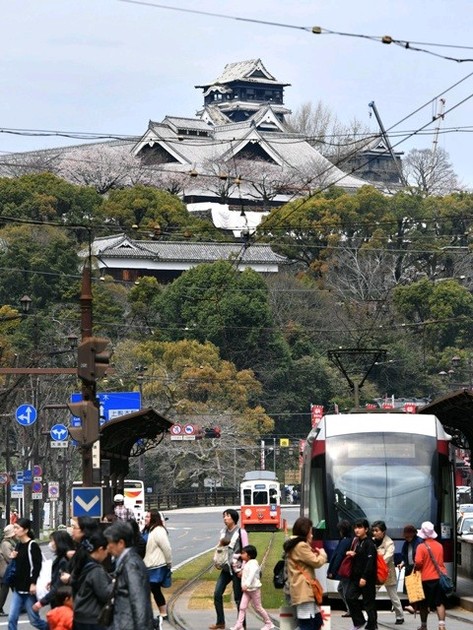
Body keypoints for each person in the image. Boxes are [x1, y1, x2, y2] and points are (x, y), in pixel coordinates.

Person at [104, 520, 154, 630]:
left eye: (109, 543)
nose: (107, 547)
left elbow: (139, 600)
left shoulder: (131, 565)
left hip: (127, 624)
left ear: (120, 543)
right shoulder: (125, 561)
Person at [283, 516, 327, 630]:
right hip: (304, 590)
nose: (312, 535)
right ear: (305, 532)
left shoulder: (294, 544)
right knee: (307, 623)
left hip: (303, 589)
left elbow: (305, 561)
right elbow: (316, 562)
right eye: (310, 532)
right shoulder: (301, 545)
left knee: (316, 621)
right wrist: (322, 554)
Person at [209, 508, 249, 630]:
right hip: (226, 569)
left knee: (238, 598)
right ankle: (220, 622)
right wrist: (217, 561)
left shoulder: (241, 532)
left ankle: (242, 624)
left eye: (226, 516)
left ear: (233, 518)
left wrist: (243, 568)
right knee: (217, 593)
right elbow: (219, 549)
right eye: (224, 516)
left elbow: (247, 551)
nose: (224, 518)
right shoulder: (223, 532)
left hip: (237, 570)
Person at [7, 517, 48, 630]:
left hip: (29, 590)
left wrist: (33, 583)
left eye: (17, 528)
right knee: (11, 618)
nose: (15, 530)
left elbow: (36, 566)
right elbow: (20, 566)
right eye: (14, 527)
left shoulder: (32, 545)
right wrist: (14, 558)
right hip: (18, 588)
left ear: (25, 530)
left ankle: (54, 628)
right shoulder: (19, 545)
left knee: (35, 621)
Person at [72, 530, 113, 630]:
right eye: (106, 550)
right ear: (100, 549)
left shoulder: (82, 563)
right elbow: (105, 594)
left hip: (80, 616)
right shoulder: (96, 570)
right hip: (92, 618)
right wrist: (115, 583)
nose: (107, 554)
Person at [230, 545, 274, 630]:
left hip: (254, 589)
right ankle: (239, 625)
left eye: (243, 553)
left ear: (249, 556)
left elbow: (251, 575)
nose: (241, 555)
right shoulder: (247, 563)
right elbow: (246, 573)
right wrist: (240, 572)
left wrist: (246, 584)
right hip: (247, 591)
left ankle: (269, 623)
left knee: (258, 607)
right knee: (242, 607)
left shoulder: (253, 564)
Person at [414, 521, 447, 630]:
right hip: (438, 577)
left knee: (423, 604)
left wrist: (416, 568)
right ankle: (441, 625)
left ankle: (424, 626)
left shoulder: (421, 547)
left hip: (425, 578)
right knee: (439, 602)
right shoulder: (439, 546)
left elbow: (418, 562)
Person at [345, 518, 377, 630]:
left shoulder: (369, 543)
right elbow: (361, 557)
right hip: (355, 577)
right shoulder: (357, 542)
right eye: (355, 527)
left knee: (369, 603)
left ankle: (372, 625)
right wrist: (354, 554)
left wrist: (364, 577)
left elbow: (370, 562)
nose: (357, 530)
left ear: (366, 529)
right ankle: (359, 621)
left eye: (360, 527)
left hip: (366, 578)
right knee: (349, 596)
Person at [32, 529, 75, 613]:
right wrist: (53, 581)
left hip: (62, 601)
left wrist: (42, 602)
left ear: (59, 542)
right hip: (62, 601)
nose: (51, 544)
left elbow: (59, 585)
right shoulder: (62, 558)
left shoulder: (64, 560)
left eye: (52, 541)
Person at [371, 520, 404, 625]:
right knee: (371, 595)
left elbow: (387, 557)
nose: (374, 533)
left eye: (377, 530)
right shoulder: (371, 541)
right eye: (373, 531)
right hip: (376, 573)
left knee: (393, 596)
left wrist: (376, 562)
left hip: (387, 573)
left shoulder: (389, 543)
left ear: (383, 531)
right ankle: (370, 616)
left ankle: (400, 616)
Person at [143, 511, 172, 624]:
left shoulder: (158, 530)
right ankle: (162, 613)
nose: (145, 518)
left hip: (156, 566)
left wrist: (169, 562)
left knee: (151, 589)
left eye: (147, 516)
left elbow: (166, 548)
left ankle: (159, 613)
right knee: (154, 590)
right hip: (149, 564)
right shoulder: (149, 529)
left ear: (153, 518)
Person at [326, 519, 352, 618]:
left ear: (342, 530)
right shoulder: (349, 540)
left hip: (344, 571)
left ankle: (351, 609)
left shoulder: (344, 541)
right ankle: (350, 609)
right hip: (346, 570)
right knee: (341, 588)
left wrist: (332, 571)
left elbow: (338, 556)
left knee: (345, 590)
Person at [397, 524, 422, 614]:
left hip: (417, 567)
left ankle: (418, 607)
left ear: (412, 534)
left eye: (407, 536)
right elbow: (404, 555)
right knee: (411, 588)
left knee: (416, 588)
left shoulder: (419, 542)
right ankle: (414, 606)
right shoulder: (406, 543)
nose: (406, 538)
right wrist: (402, 563)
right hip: (409, 566)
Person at [0, 525, 17, 616]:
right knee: (5, 590)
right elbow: (9, 557)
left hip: (7, 570)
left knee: (10, 589)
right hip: (5, 571)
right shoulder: (6, 544)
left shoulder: (9, 542)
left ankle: (21, 605)